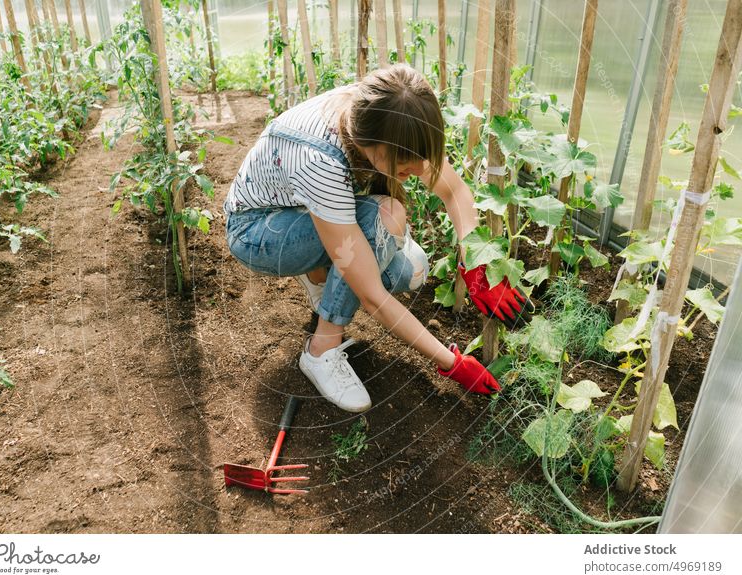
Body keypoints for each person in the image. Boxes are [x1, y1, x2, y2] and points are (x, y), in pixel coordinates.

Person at [224, 64, 532, 412]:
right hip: (260, 232)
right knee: (385, 218)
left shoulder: (390, 112)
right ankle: (320, 351)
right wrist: (451, 362)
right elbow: (372, 298)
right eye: (406, 164)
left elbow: (456, 192)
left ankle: (319, 275)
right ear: (371, 145)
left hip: (306, 214)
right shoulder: (321, 161)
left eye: (422, 160)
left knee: (409, 271)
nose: (418, 171)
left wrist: (474, 264)